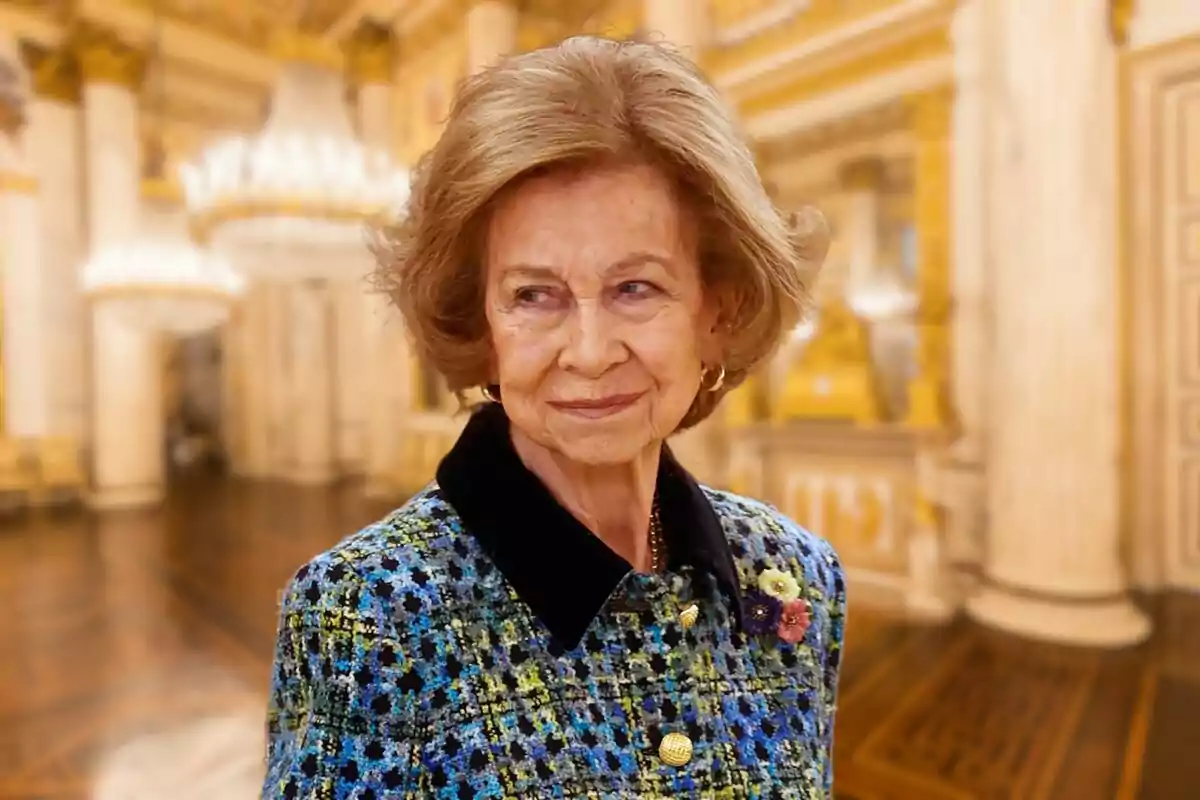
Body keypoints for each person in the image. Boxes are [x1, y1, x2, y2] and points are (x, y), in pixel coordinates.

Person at [263, 34, 844, 799]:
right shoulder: (367, 614)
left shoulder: (797, 575)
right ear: (482, 327)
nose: (591, 351)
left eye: (636, 287)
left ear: (718, 310)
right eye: (534, 296)